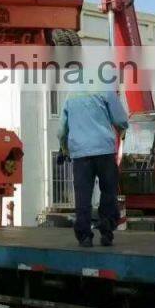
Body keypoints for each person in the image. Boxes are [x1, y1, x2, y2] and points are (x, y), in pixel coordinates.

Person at [57, 90, 128, 247]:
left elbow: (61, 129)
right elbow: (121, 119)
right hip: (104, 150)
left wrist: (63, 147)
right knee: (109, 192)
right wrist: (122, 129)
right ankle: (106, 231)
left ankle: (84, 237)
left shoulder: (71, 95)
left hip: (81, 154)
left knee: (83, 196)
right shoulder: (105, 90)